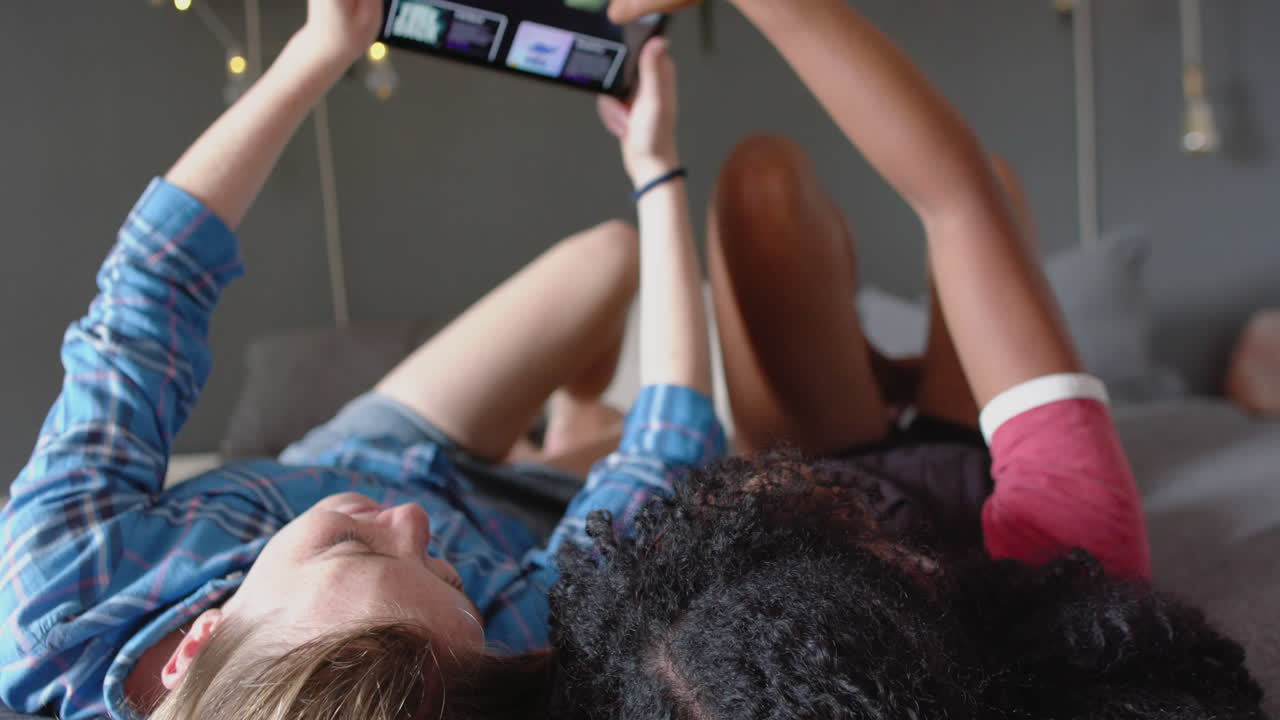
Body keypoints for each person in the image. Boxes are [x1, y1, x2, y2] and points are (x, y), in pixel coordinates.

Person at [542, 0, 1269, 717]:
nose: (886, 538)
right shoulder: (1070, 573)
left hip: (819, 445)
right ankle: (901, 377)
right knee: (997, 185)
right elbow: (959, 196)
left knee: (763, 176)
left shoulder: (692, 640)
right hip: (966, 451)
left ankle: (879, 378)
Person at [0, 1, 721, 718]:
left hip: (365, 451)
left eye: (349, 544)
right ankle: (563, 445)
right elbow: (665, 458)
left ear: (198, 640)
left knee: (608, 260)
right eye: (447, 585)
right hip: (510, 533)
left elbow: (154, 285)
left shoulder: (57, 585)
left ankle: (569, 427)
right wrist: (657, 167)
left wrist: (320, 51)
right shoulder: (486, 669)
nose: (411, 521)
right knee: (680, 473)